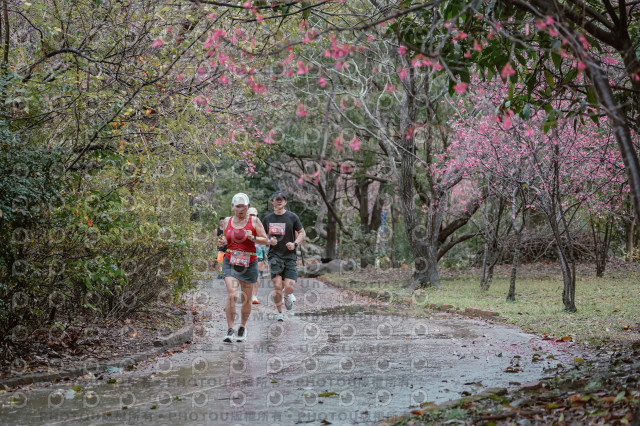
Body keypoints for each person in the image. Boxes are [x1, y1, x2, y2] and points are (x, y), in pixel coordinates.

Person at [218, 193, 268, 342]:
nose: (241, 209)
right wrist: (222, 242)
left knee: (246, 298)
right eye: (238, 206)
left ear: (248, 207)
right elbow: (226, 238)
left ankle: (242, 327)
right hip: (230, 261)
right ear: (232, 207)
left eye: (244, 207)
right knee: (232, 294)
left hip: (249, 263)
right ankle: (230, 329)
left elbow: (265, 240)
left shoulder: (254, 221)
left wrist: (253, 237)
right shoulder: (227, 221)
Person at [262, 191, 305, 321]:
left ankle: (286, 296)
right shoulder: (267, 219)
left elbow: (302, 232)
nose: (279, 201)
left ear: (285, 202)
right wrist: (269, 241)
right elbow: (261, 237)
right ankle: (280, 312)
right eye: (277, 199)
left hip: (289, 256)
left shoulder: (292, 217)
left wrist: (295, 243)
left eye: (282, 199)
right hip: (274, 256)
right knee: (277, 286)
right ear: (272, 202)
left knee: (290, 286)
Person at [247, 207, 266, 304]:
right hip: (245, 254)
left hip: (258, 253)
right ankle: (247, 294)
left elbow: (264, 239)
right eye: (250, 215)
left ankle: (254, 296)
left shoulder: (259, 224)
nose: (252, 217)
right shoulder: (243, 225)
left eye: (254, 215)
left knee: (255, 274)